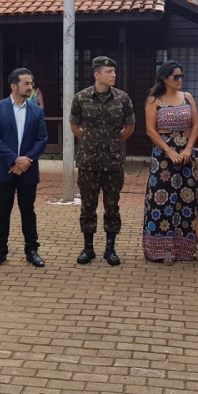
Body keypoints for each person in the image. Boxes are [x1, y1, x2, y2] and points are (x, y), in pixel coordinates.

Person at [143, 60, 198, 266]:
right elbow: (150, 130)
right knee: (162, 200)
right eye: (176, 76)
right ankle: (164, 248)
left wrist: (188, 148)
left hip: (186, 154)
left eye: (181, 75)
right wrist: (168, 151)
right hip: (162, 157)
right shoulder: (153, 101)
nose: (180, 79)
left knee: (190, 199)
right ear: (165, 79)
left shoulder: (188, 97)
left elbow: (195, 125)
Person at [70, 55, 135, 265]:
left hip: (113, 162)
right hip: (88, 161)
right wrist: (91, 141)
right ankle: (88, 248)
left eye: (114, 72)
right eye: (109, 72)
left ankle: (110, 249)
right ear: (97, 74)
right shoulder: (81, 98)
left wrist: (113, 142)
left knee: (112, 205)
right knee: (88, 206)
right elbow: (74, 125)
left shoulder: (123, 98)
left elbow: (130, 127)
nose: (114, 75)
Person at [0, 68, 48, 269]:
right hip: (4, 168)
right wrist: (14, 160)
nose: (31, 87)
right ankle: (0, 251)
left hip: (28, 169)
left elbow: (42, 139)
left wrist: (26, 160)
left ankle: (32, 250)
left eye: (31, 83)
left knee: (28, 211)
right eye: (26, 84)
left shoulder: (37, 111)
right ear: (14, 86)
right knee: (3, 211)